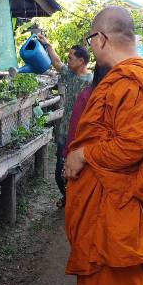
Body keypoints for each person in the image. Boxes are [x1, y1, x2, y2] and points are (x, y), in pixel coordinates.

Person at [63, 6, 143, 285]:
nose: (92, 45)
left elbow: (131, 146)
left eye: (91, 38)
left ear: (101, 39)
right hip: (106, 204)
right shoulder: (131, 77)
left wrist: (83, 153)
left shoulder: (130, 81)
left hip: (115, 206)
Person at [36, 33, 93, 208]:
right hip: (65, 132)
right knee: (60, 171)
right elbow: (57, 62)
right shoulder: (70, 74)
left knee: (80, 172)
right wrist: (47, 44)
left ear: (81, 61)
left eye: (71, 57)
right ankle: (68, 198)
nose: (67, 60)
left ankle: (79, 203)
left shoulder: (93, 82)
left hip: (82, 135)